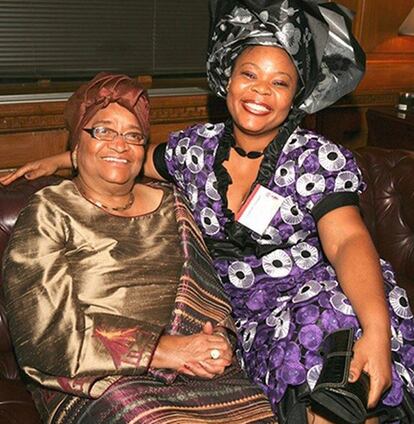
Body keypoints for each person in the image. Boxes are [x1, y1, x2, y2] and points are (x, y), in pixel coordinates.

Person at [2, 0, 414, 422]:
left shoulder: (317, 159)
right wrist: (62, 159)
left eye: (280, 83)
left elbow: (347, 241)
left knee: (332, 384)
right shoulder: (196, 150)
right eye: (249, 75)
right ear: (227, 79)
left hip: (316, 301)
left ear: (297, 97)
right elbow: (128, 156)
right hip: (242, 325)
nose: (259, 92)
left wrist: (377, 333)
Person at [2, 73, 277, 424]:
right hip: (95, 379)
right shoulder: (48, 211)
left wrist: (218, 339)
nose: (120, 144)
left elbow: (209, 293)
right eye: (103, 130)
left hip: (193, 369)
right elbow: (46, 335)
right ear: (75, 146)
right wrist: (163, 351)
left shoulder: (174, 205)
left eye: (133, 135)